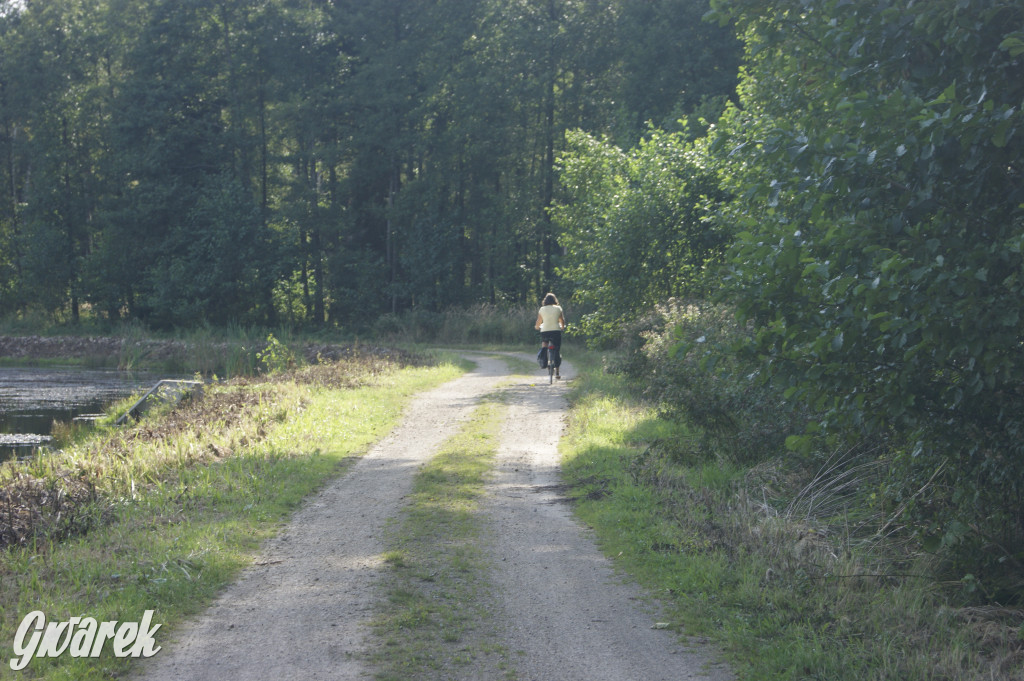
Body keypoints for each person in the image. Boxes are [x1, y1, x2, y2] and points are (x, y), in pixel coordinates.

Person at [534, 292, 565, 379]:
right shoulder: (558, 308)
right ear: (555, 300)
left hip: (545, 331)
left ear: (545, 301)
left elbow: (539, 322)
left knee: (544, 346)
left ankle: (545, 362)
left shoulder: (542, 309)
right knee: (557, 350)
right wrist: (562, 327)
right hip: (556, 331)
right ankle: (557, 373)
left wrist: (537, 327)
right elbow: (562, 320)